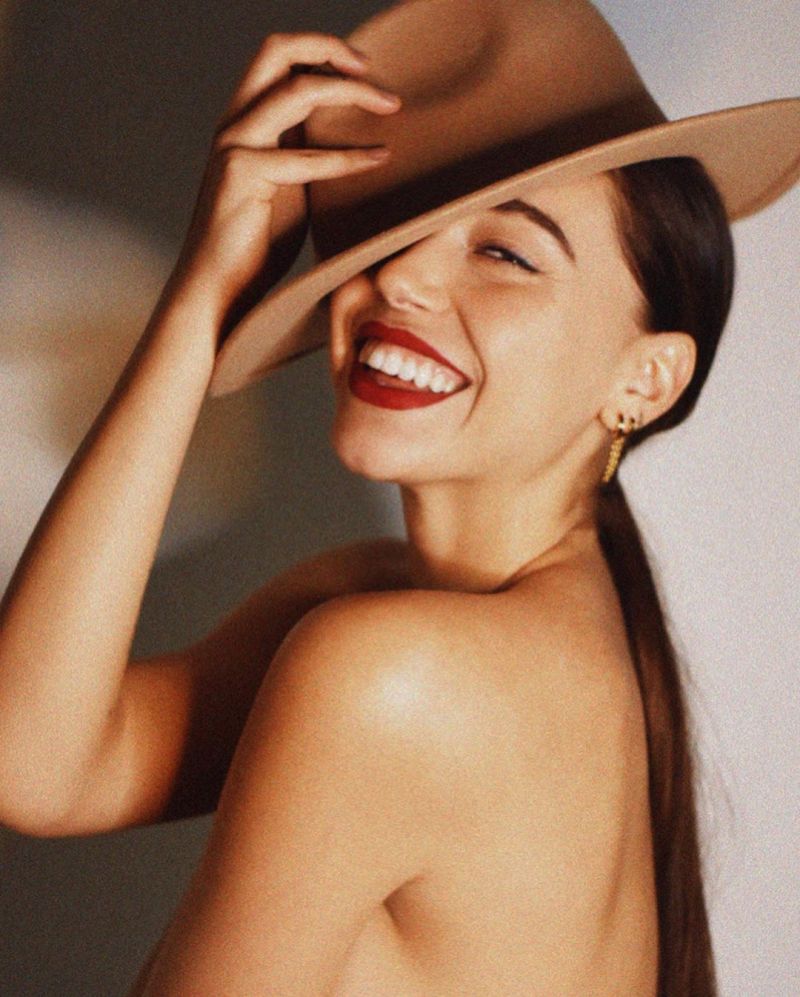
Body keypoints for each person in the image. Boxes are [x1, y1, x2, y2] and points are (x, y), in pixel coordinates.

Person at [0, 2, 797, 994]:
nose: (401, 275)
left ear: (645, 379)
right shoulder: (424, 623)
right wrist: (203, 295)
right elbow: (36, 761)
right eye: (390, 232)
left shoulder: (397, 677)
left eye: (505, 252)